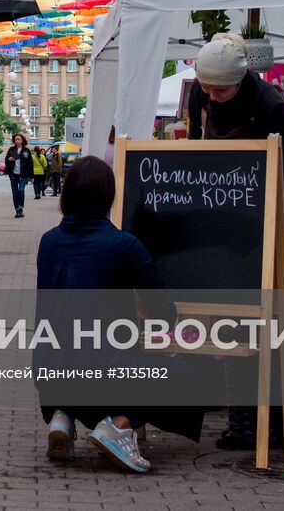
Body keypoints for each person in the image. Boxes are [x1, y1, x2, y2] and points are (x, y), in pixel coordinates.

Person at [35, 156, 203, 472]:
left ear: (66, 194)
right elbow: (162, 310)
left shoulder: (48, 243)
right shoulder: (124, 245)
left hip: (50, 373)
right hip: (103, 375)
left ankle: (62, 417)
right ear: (109, 197)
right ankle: (117, 425)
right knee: (187, 374)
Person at [185, 32, 284, 451]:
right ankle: (240, 424)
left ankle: (266, 424)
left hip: (259, 230)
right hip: (215, 228)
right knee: (226, 327)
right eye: (207, 89)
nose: (213, 97)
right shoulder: (199, 98)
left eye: (221, 90)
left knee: (261, 330)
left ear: (240, 80)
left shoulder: (273, 110)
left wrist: (278, 237)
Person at [4, 133, 33, 218]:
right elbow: (6, 160)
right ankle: (17, 210)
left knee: (21, 190)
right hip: (13, 174)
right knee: (15, 193)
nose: (17, 141)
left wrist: (31, 176)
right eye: (15, 139)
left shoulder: (26, 150)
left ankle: (21, 206)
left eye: (18, 139)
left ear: (22, 140)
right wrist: (9, 160)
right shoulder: (11, 149)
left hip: (23, 174)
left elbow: (30, 163)